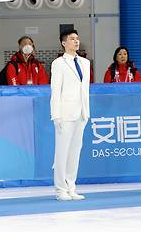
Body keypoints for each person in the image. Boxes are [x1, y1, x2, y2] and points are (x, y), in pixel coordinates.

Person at [50, 29, 90, 201]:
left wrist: (86, 111)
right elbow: (55, 90)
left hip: (81, 112)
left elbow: (84, 90)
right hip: (65, 113)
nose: (76, 41)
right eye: (72, 39)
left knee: (75, 151)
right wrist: (56, 115)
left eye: (77, 38)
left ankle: (71, 186)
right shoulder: (58, 63)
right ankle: (60, 189)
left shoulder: (85, 63)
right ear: (63, 43)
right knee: (62, 152)